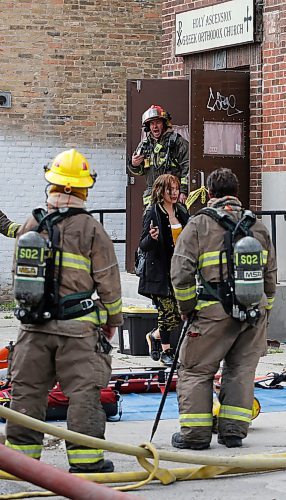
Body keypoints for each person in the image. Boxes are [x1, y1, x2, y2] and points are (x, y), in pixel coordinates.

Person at [5, 149, 123, 474]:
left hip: (32, 328)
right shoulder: (92, 230)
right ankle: (87, 462)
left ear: (52, 184)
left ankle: (22, 462)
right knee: (83, 392)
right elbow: (110, 284)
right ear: (84, 189)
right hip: (78, 330)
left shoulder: (32, 223)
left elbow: (19, 275)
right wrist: (112, 320)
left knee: (27, 391)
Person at [170, 168, 277, 450]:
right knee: (241, 371)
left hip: (211, 313)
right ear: (236, 192)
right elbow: (270, 276)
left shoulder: (199, 224)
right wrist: (265, 310)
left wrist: (187, 307)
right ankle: (232, 433)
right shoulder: (258, 227)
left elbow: (180, 271)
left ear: (210, 194)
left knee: (195, 370)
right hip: (253, 314)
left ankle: (195, 435)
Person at [138, 174, 189, 366]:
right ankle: (167, 351)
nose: (174, 193)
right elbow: (143, 245)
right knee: (167, 312)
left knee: (178, 315)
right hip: (159, 271)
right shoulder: (153, 212)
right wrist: (152, 238)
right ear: (161, 191)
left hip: (179, 271)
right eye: (170, 189)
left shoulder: (182, 211)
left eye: (176, 189)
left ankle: (154, 336)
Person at [129, 104, 189, 207]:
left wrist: (183, 191)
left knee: (173, 222)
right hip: (152, 197)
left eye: (158, 123)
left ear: (164, 124)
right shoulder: (144, 145)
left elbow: (187, 167)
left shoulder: (178, 143)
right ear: (148, 127)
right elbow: (140, 171)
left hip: (172, 195)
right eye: (151, 124)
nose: (155, 126)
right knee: (150, 223)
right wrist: (134, 164)